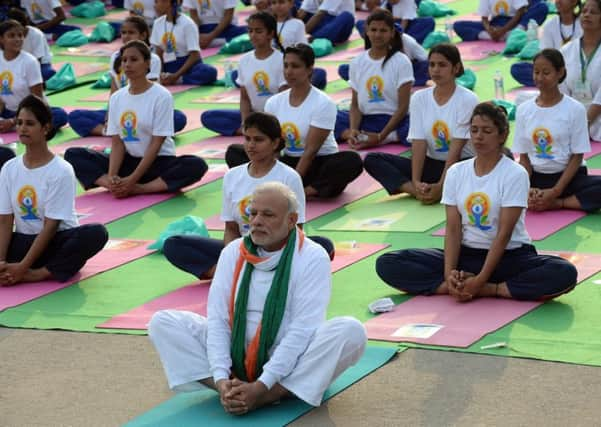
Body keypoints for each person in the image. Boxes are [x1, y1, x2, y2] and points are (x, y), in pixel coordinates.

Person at [148, 182, 367, 413]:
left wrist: (263, 387)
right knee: (163, 323)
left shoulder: (312, 257)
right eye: (253, 214)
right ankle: (231, 393)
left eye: (268, 215)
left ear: (292, 220)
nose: (256, 222)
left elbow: (303, 330)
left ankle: (270, 394)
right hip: (235, 349)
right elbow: (218, 319)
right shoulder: (233, 251)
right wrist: (222, 378)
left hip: (289, 353)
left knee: (351, 331)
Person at [375, 102, 578, 301]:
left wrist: (481, 281)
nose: (479, 137)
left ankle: (494, 289)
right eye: (474, 130)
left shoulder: (515, 174)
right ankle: (452, 286)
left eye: (487, 131)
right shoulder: (456, 172)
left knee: (564, 271)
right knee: (388, 262)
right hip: (467, 256)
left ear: (502, 135)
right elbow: (453, 230)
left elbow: (504, 234)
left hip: (509, 257)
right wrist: (450, 273)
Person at [164, 112, 333, 280]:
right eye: (247, 139)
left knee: (323, 245)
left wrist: (271, 255)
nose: (251, 145)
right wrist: (234, 258)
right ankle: (234, 273)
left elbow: (296, 229)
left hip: (277, 249)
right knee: (174, 244)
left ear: (275, 143)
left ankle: (245, 274)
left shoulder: (288, 177)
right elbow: (231, 228)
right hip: (243, 247)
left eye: (258, 140)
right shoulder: (233, 176)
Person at [64, 41, 208, 198]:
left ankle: (141, 189)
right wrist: (112, 178)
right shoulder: (117, 97)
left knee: (195, 165)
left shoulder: (161, 96)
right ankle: (116, 187)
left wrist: (133, 181)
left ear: (147, 64)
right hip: (129, 160)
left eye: (134, 59)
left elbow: (156, 143)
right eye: (124, 60)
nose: (127, 64)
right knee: (73, 154)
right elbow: (117, 142)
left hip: (158, 162)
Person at [226, 44, 363, 198]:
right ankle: (267, 187)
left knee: (351, 160)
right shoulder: (274, 102)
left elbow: (310, 152)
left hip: (318, 163)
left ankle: (306, 192)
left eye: (295, 66)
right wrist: (272, 170)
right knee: (235, 151)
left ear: (309, 69)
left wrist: (291, 185)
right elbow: (272, 145)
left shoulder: (323, 103)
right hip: (289, 161)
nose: (289, 71)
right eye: (286, 66)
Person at [0, 95, 108, 286]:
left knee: (96, 233)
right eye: (19, 123)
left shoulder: (61, 169)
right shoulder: (9, 168)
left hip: (56, 242)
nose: (23, 128)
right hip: (24, 242)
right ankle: (12, 269)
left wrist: (24, 268)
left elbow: (51, 227)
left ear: (46, 128)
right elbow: (6, 220)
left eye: (30, 124)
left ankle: (40, 273)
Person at [364, 44, 478, 204]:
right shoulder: (419, 98)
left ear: (456, 67)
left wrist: (441, 186)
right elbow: (419, 143)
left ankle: (442, 189)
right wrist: (416, 183)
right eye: (432, 65)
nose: (436, 70)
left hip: (460, 165)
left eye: (442, 65)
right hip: (431, 164)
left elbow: (456, 150)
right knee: (372, 159)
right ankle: (417, 192)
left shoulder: (467, 99)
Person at [67, 17, 188, 138]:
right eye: (123, 33)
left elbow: (152, 92)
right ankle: (110, 132)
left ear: (143, 35)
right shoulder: (115, 57)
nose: (126, 36)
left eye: (131, 32)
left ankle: (131, 130)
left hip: (146, 112)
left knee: (178, 118)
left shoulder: (152, 59)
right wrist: (110, 117)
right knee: (75, 116)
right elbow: (114, 90)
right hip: (122, 111)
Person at [513, 49, 601, 211]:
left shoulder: (575, 109)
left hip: (568, 177)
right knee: (499, 182)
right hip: (536, 176)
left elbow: (577, 156)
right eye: (536, 72)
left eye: (546, 73)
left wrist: (556, 193)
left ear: (560, 73)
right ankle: (538, 198)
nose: (539, 78)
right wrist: (527, 188)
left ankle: (562, 203)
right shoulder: (524, 110)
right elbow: (523, 157)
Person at [334, 10, 414, 149]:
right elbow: (355, 105)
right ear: (367, 31)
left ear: (392, 33)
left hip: (395, 120)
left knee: (422, 123)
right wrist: (353, 129)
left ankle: (388, 137)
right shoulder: (357, 62)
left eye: (383, 30)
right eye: (374, 30)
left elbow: (403, 108)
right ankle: (355, 136)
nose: (377, 34)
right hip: (366, 120)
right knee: (329, 115)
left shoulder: (402, 61)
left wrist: (380, 137)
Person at [200, 12, 286, 137]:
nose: (253, 35)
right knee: (208, 117)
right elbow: (245, 98)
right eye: (250, 31)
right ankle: (253, 133)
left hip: (277, 118)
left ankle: (263, 133)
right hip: (254, 116)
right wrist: (245, 123)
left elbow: (284, 99)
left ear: (271, 34)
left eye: (258, 31)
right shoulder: (244, 60)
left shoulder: (281, 60)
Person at [0, 20, 67, 134]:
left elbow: (37, 100)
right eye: (11, 36)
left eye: (20, 35)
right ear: (1, 39)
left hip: (32, 111)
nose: (18, 39)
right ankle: (25, 126)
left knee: (60, 115)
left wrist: (13, 122)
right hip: (8, 111)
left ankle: (23, 125)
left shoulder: (30, 61)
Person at [511, 0, 583, 87]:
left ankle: (552, 82)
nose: (558, 1)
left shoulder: (583, 24)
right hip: (554, 70)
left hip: (578, 68)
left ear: (574, 2)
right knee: (517, 69)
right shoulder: (550, 25)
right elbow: (545, 55)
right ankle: (553, 81)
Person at [150, 0, 217, 86]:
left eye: (156, 2)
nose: (154, 5)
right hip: (168, 65)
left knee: (209, 72)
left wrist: (176, 76)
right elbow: (159, 53)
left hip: (188, 66)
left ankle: (179, 80)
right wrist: (161, 74)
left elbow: (195, 56)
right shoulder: (157, 23)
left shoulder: (187, 24)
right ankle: (168, 79)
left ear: (167, 3)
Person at [560, 0, 601, 141]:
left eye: (593, 12)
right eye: (584, 11)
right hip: (572, 116)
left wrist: (583, 125)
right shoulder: (566, 50)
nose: (587, 15)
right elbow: (561, 88)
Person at [270, 0, 329, 89]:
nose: (277, 6)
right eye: (274, 3)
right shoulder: (267, 24)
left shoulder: (297, 24)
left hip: (292, 68)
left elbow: (304, 51)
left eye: (281, 2)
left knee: (320, 74)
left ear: (291, 3)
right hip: (271, 68)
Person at [453, 0, 549, 42]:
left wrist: (504, 30)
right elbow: (484, 18)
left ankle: (516, 32)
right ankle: (493, 37)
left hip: (515, 22)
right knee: (458, 25)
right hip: (496, 23)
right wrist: (490, 30)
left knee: (542, 7)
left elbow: (520, 11)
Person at [6, 8, 55, 81]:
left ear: (23, 25)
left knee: (46, 73)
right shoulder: (7, 36)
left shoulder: (36, 35)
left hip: (40, 64)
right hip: (19, 64)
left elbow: (37, 61)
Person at [355, 0, 435, 44]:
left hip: (405, 27)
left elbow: (404, 24)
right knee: (360, 23)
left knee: (429, 22)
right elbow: (377, 18)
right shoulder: (385, 2)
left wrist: (398, 35)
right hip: (386, 28)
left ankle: (394, 42)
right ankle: (379, 40)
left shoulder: (408, 1)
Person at [183, 0, 247, 49]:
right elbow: (194, 16)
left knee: (251, 31)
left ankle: (209, 42)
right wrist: (196, 36)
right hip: (203, 30)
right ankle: (220, 41)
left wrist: (210, 36)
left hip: (225, 28)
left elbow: (228, 16)